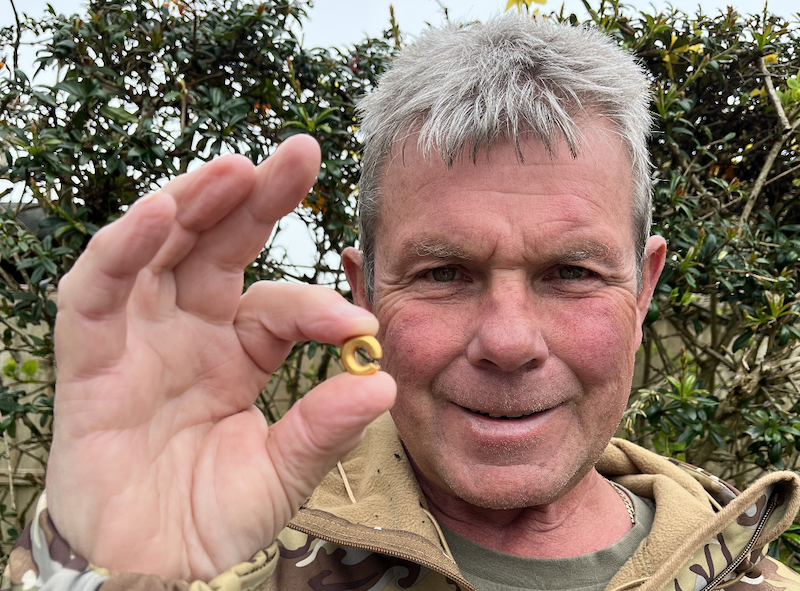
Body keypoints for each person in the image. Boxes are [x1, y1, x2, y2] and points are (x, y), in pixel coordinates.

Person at [5, 14, 800, 591]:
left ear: (644, 286)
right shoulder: (226, 563)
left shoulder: (753, 578)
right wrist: (91, 560)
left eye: (571, 272)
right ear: (364, 292)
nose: (510, 340)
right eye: (445, 273)